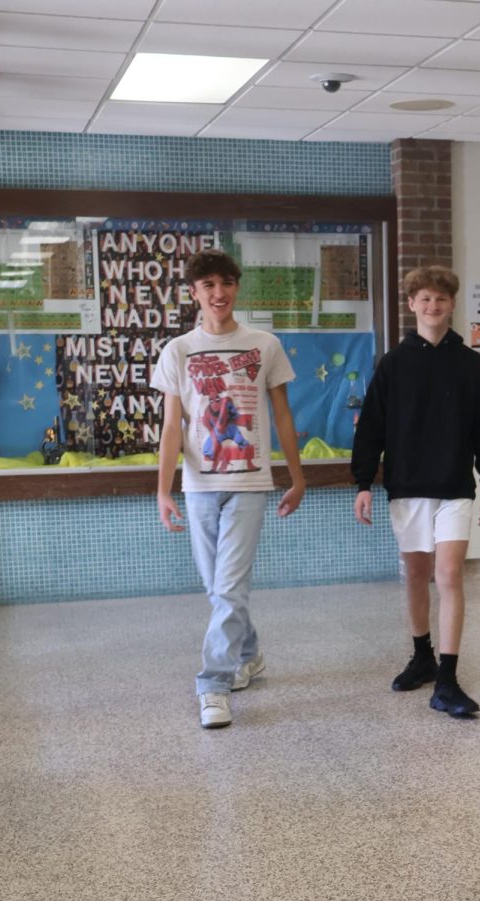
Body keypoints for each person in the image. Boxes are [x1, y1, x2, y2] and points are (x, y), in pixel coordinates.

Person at [153, 249, 306, 729]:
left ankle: (213, 686)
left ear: (236, 287)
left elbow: (282, 414)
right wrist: (163, 490)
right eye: (208, 286)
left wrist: (298, 476)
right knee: (217, 589)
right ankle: (251, 653)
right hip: (199, 485)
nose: (219, 294)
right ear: (194, 293)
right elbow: (172, 426)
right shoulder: (178, 350)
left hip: (250, 483)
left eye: (227, 284)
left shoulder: (264, 345)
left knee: (230, 587)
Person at [351, 265, 480, 718]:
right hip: (407, 487)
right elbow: (371, 428)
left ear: (452, 305)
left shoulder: (472, 365)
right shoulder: (393, 365)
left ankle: (448, 680)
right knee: (416, 575)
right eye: (424, 298)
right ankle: (422, 657)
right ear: (412, 304)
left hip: (456, 487)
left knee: (449, 575)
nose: (432, 305)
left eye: (441, 298)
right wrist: (363, 483)